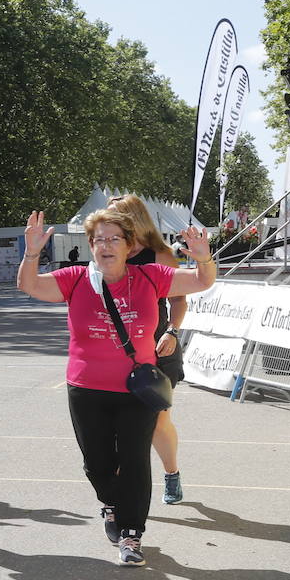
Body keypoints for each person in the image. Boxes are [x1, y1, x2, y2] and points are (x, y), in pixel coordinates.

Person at [17, 207, 214, 566]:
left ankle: (131, 534)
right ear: (90, 246)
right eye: (99, 240)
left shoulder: (150, 277)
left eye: (114, 239)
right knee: (97, 463)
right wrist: (32, 253)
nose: (106, 245)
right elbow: (29, 285)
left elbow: (202, 282)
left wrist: (204, 258)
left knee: (135, 460)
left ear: (129, 245)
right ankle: (111, 504)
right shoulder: (75, 278)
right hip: (86, 388)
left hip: (135, 389)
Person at [111, 194, 187, 504]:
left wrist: (172, 331)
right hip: (116, 351)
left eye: (115, 218)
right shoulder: (108, 254)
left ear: (133, 220)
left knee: (157, 421)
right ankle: (122, 490)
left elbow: (179, 300)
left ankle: (171, 474)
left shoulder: (161, 257)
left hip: (158, 349)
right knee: (117, 426)